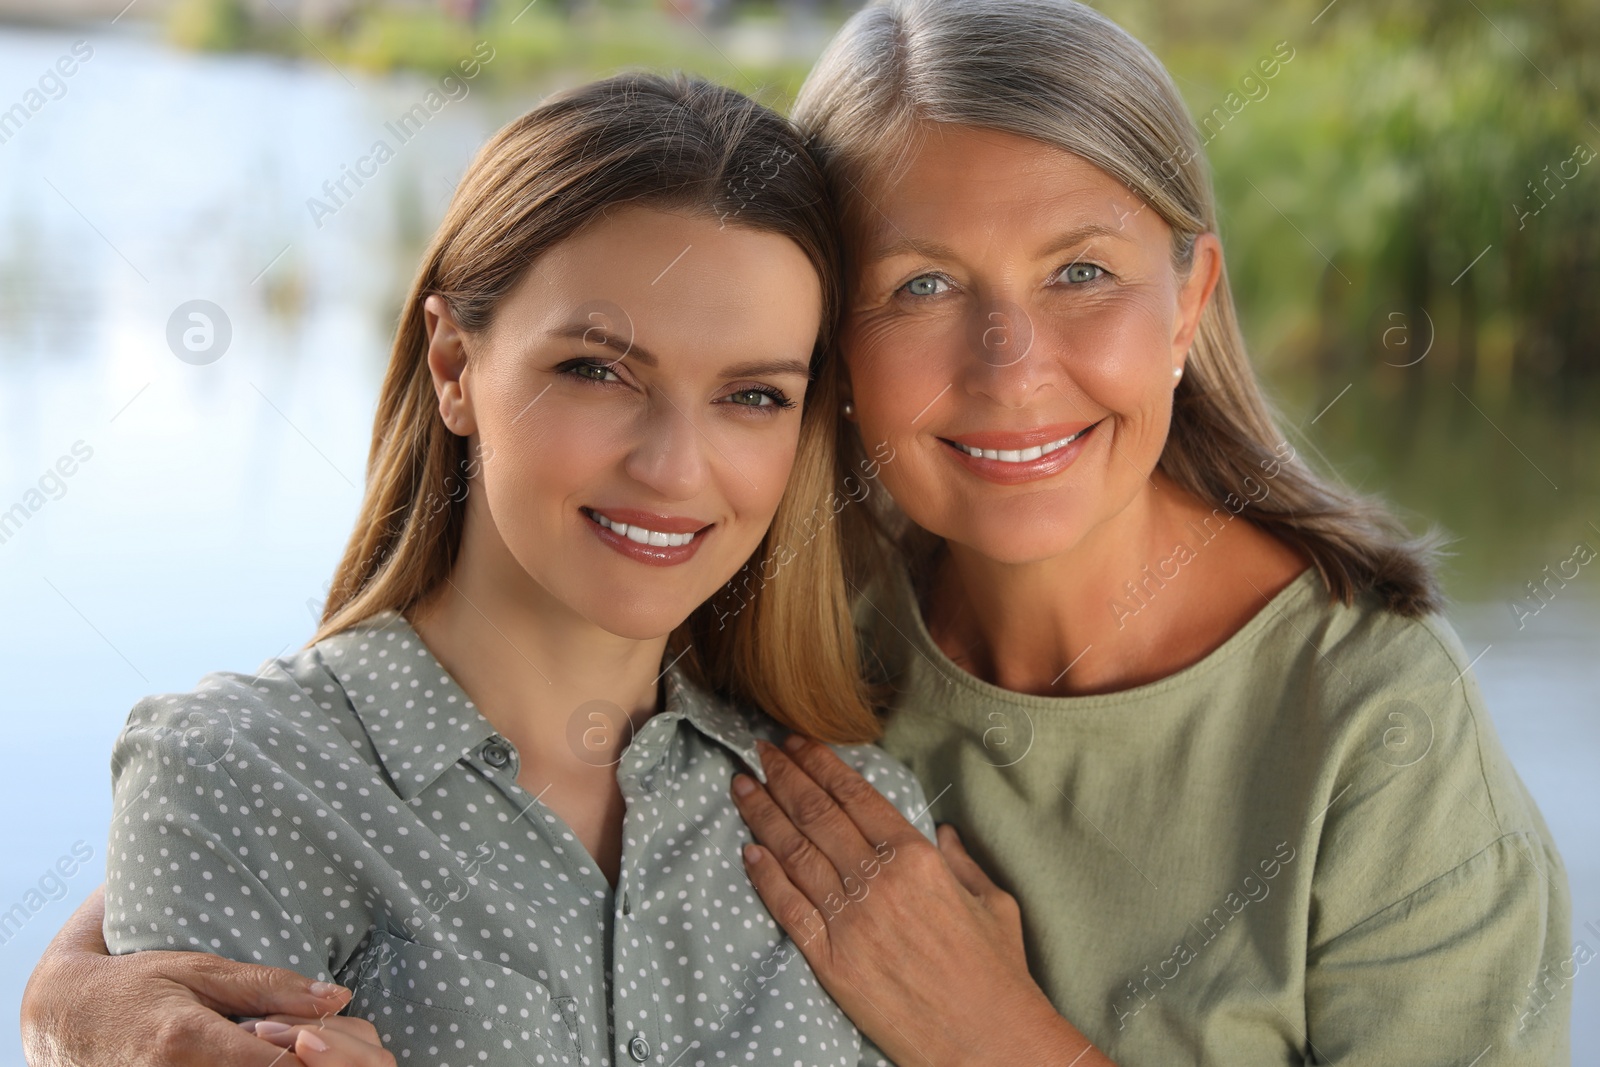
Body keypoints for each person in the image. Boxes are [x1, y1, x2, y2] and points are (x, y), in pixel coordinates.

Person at [21, 1, 1573, 1064]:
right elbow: (331, 769)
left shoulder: (1370, 728)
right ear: (840, 356)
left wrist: (998, 1038)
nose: (1010, 363)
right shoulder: (773, 611)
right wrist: (79, 985)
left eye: (1084, 271)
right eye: (920, 286)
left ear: (1194, 302)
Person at [25, 70, 952, 1067]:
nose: (675, 467)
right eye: (597, 370)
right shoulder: (236, 775)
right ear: (454, 367)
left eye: (753, 395)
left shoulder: (864, 819)